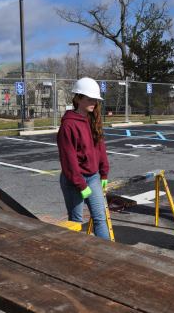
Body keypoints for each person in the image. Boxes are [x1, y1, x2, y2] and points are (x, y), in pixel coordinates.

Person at [57, 77, 110, 240]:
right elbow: (68, 160)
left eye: (95, 99)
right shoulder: (68, 125)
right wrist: (80, 184)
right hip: (74, 181)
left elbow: (100, 147)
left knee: (100, 219)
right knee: (76, 222)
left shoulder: (92, 119)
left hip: (93, 177)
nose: (94, 102)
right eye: (89, 99)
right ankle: (76, 259)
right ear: (78, 98)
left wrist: (104, 173)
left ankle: (110, 256)